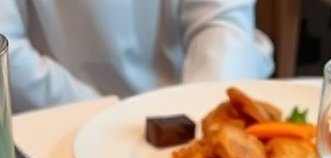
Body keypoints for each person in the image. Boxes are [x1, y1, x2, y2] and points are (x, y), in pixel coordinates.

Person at [4, 0, 274, 113]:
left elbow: (220, 23)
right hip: (53, 126)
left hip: (186, 112)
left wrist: (202, 120)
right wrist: (106, 119)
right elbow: (7, 49)